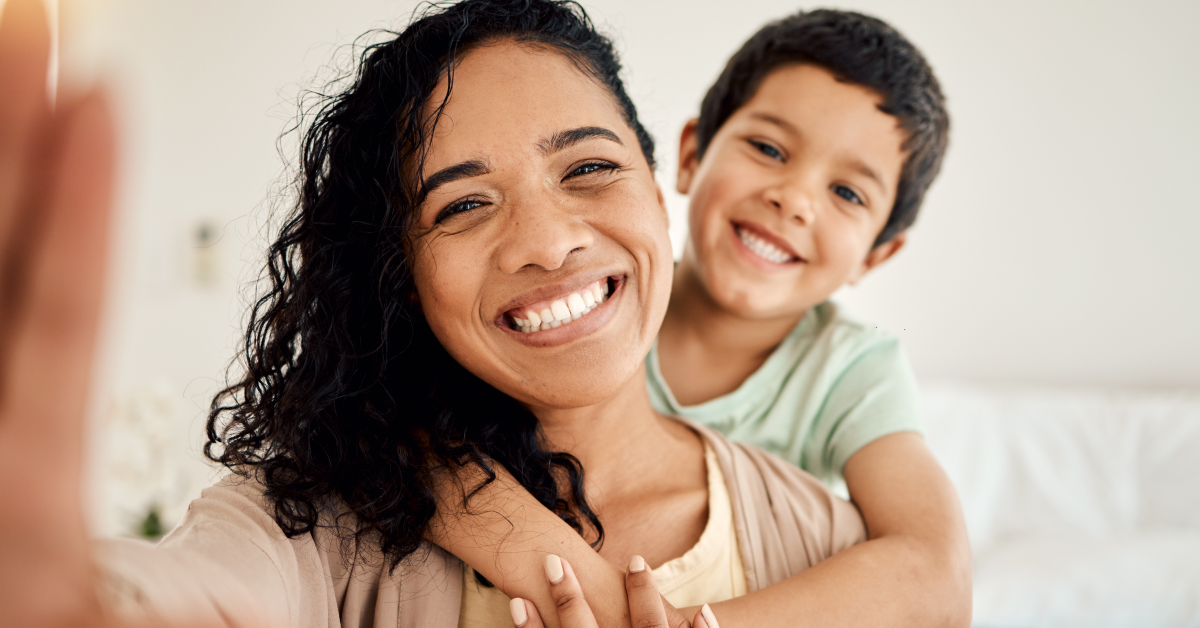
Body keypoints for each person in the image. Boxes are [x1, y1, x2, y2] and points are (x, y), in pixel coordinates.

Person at [0, 1, 867, 627]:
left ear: (655, 183)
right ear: (398, 272)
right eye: (460, 206)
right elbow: (196, 593)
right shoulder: (322, 522)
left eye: (590, 168)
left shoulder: (824, 539)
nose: (549, 242)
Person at [430, 9, 972, 628]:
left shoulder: (852, 368)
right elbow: (419, 460)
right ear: (689, 156)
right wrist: (585, 584)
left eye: (847, 193)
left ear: (877, 253)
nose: (792, 199)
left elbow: (937, 574)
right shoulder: (593, 304)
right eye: (768, 149)